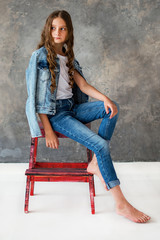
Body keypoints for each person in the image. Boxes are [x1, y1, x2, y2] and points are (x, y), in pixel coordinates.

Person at [25, 10, 151, 223]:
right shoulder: (39, 57)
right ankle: (121, 203)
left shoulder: (67, 58)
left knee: (112, 108)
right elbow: (35, 97)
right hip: (56, 115)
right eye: (53, 28)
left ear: (68, 32)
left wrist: (106, 99)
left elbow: (83, 85)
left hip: (72, 108)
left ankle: (95, 163)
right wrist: (47, 128)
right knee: (101, 145)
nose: (57, 32)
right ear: (48, 30)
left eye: (62, 28)